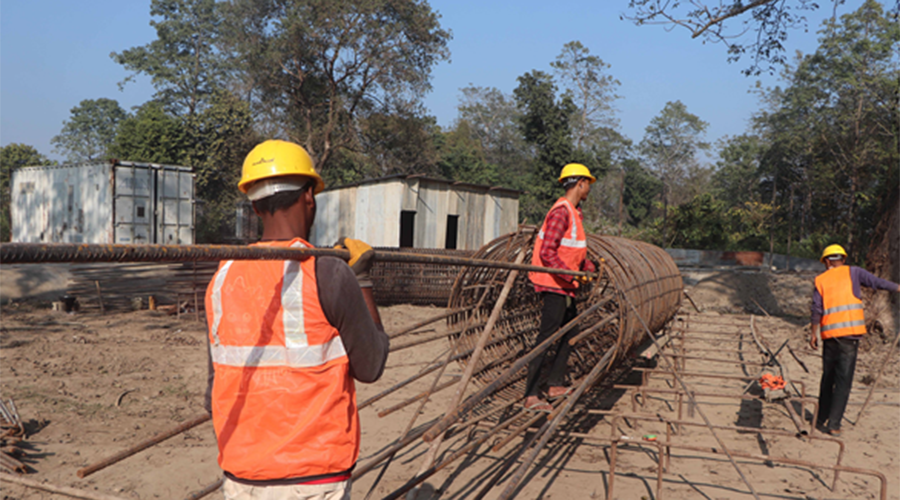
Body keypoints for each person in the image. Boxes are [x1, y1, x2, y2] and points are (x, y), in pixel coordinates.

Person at [204, 140, 389, 500]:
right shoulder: (328, 272)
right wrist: (363, 278)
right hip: (314, 478)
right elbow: (371, 366)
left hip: (243, 479)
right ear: (308, 196)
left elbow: (215, 387)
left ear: (255, 206)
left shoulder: (221, 279)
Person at [523, 163, 597, 412]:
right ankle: (531, 395)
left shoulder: (574, 212)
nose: (589, 189)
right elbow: (547, 252)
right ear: (580, 183)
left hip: (564, 283)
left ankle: (554, 384)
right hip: (553, 283)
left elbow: (570, 249)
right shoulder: (561, 212)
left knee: (570, 331)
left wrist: (586, 265)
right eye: (588, 184)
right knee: (546, 337)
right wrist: (570, 275)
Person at [809, 244, 899, 437]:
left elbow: (816, 308)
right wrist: (898, 288)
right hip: (849, 336)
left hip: (830, 336)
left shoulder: (821, 279)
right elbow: (877, 282)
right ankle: (834, 424)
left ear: (827, 261)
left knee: (828, 378)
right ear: (842, 259)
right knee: (843, 381)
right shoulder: (855, 272)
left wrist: (813, 333)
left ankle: (820, 417)